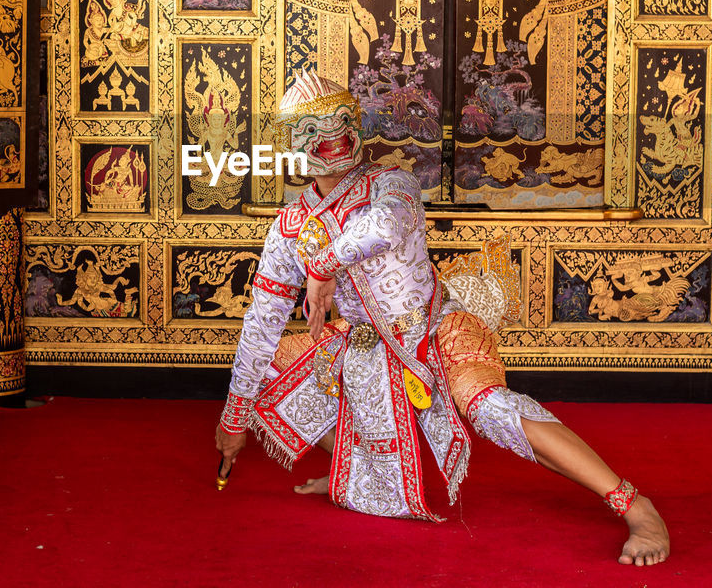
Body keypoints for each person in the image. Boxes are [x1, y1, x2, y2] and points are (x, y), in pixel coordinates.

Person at [213, 70, 670, 566]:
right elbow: (261, 323)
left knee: (491, 409)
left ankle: (634, 505)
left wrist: (323, 264)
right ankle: (357, 464)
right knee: (266, 368)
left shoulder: (393, 184)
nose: (333, 140)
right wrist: (233, 420)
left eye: (341, 123)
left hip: (436, 330)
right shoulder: (290, 225)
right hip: (364, 343)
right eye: (315, 130)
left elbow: (384, 227)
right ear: (289, 141)